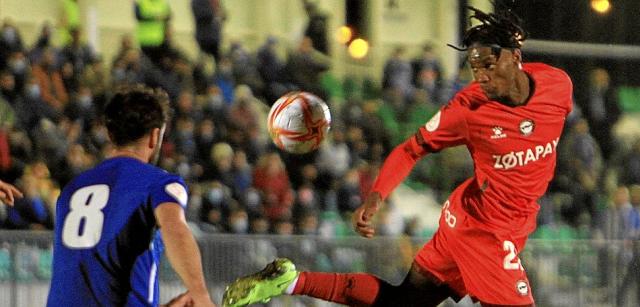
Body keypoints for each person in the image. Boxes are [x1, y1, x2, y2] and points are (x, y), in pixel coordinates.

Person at [222, 6, 572, 307]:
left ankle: (289, 282)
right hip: (483, 230)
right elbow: (410, 148)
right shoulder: (468, 110)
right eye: (474, 68)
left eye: (488, 65)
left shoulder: (558, 86)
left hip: (505, 221)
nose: (481, 77)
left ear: (514, 55)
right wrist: (376, 197)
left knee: (403, 301)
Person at [46, 85, 215, 306]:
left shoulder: (71, 189)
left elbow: (94, 281)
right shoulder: (158, 183)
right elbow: (175, 227)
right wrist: (201, 295)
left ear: (111, 134)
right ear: (155, 135)